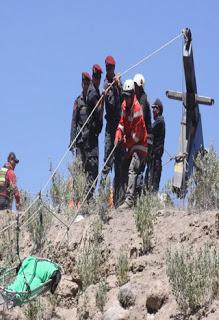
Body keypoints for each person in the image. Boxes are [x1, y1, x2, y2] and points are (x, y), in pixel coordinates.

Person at [115, 80, 148, 209]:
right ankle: (123, 198)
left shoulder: (137, 109)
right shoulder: (124, 105)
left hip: (140, 146)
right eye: (125, 95)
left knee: (132, 168)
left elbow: (137, 136)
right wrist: (118, 134)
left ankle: (129, 200)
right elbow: (122, 123)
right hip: (130, 145)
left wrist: (125, 141)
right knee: (123, 168)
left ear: (133, 94)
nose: (126, 98)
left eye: (128, 96)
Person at [100, 56, 125, 207]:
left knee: (119, 164)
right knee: (107, 163)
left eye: (111, 67)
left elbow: (124, 99)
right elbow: (108, 105)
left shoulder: (117, 82)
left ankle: (118, 200)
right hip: (110, 128)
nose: (110, 70)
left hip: (120, 127)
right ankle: (102, 200)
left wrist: (118, 86)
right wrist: (109, 90)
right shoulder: (105, 85)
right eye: (108, 68)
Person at [85, 64, 103, 199]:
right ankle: (88, 198)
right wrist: (102, 99)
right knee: (92, 167)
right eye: (98, 78)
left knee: (93, 168)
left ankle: (88, 197)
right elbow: (97, 107)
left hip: (93, 135)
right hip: (91, 137)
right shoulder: (92, 92)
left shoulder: (94, 90)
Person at [133, 74, 152, 196]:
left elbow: (140, 120)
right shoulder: (138, 99)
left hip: (143, 140)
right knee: (136, 168)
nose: (134, 88)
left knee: (139, 169)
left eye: (135, 86)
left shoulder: (143, 101)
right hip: (139, 139)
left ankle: (137, 197)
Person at [69, 71, 91, 165]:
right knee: (79, 167)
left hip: (90, 141)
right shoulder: (78, 101)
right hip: (80, 141)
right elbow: (74, 122)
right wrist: (72, 141)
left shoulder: (92, 100)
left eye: (87, 84)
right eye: (84, 83)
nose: (85, 86)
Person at [145, 99, 165, 192]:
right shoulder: (158, 121)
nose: (153, 110)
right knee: (148, 183)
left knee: (152, 185)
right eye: (152, 108)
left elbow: (149, 129)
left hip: (155, 159)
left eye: (155, 108)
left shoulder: (159, 121)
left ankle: (151, 204)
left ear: (159, 109)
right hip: (152, 158)